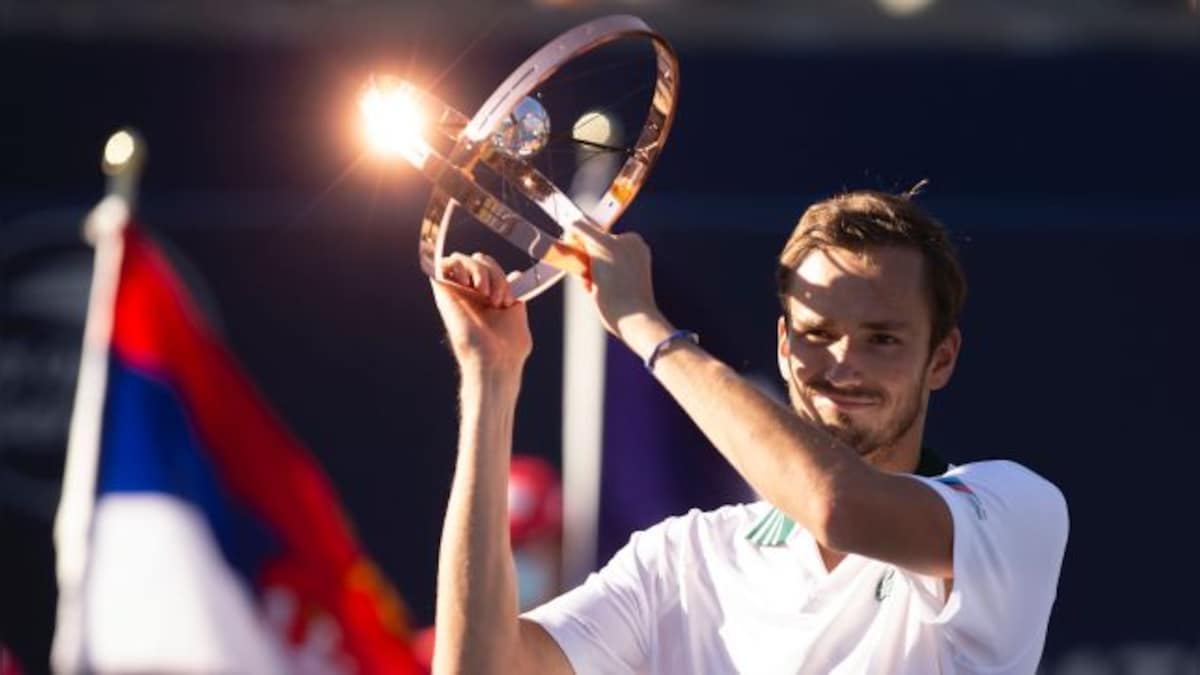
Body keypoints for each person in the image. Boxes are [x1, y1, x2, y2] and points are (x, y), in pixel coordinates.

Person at [428, 189, 1069, 674]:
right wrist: (491, 378)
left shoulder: (1014, 512)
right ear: (784, 348)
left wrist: (646, 328)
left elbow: (835, 506)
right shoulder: (683, 559)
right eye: (818, 336)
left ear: (942, 357)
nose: (843, 366)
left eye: (882, 340)